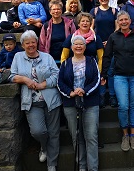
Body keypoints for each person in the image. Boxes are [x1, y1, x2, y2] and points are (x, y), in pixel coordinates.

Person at [10, 30, 61, 171]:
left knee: (54, 133)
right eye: (27, 43)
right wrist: (25, 79)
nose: (31, 45)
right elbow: (12, 76)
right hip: (31, 101)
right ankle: (44, 147)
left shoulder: (47, 57)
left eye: (33, 42)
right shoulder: (18, 57)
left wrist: (42, 84)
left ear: (37, 42)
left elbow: (57, 75)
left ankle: (52, 164)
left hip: (51, 99)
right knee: (38, 131)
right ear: (23, 45)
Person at [101, 11, 134, 151]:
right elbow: (107, 56)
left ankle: (133, 135)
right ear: (118, 21)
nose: (123, 22)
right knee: (123, 105)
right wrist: (104, 74)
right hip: (119, 76)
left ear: (130, 21)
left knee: (133, 104)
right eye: (121, 20)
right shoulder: (113, 37)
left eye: (126, 19)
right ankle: (125, 134)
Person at [57, 35, 101, 171]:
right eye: (75, 44)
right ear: (71, 47)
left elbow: (97, 80)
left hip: (90, 103)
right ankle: (81, 167)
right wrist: (70, 92)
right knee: (77, 137)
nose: (78, 46)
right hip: (71, 104)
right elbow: (60, 83)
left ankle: (92, 168)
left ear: (85, 47)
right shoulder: (65, 63)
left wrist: (84, 90)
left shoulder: (92, 61)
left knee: (91, 137)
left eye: (81, 44)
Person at [39, 0, 76, 66]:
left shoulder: (69, 24)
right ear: (50, 12)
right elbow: (42, 44)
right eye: (54, 9)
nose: (56, 11)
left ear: (61, 10)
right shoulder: (46, 26)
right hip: (51, 61)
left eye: (58, 9)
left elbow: (75, 39)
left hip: (67, 59)